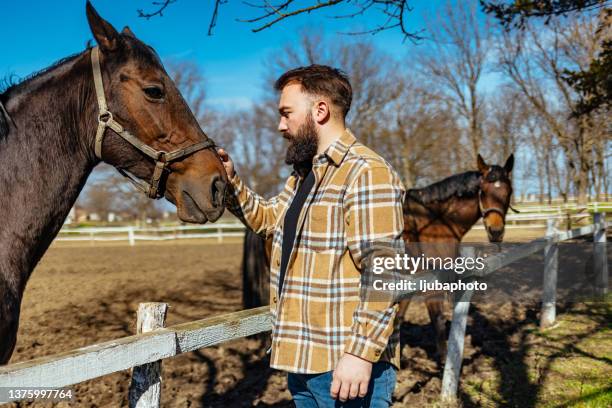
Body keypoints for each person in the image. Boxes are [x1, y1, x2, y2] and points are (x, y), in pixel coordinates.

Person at [218, 65, 405, 407]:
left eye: (287, 113)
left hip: (346, 366)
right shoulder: (304, 177)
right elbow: (267, 220)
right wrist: (230, 182)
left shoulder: (366, 172)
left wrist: (361, 355)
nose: (280, 126)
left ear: (320, 111)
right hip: (303, 361)